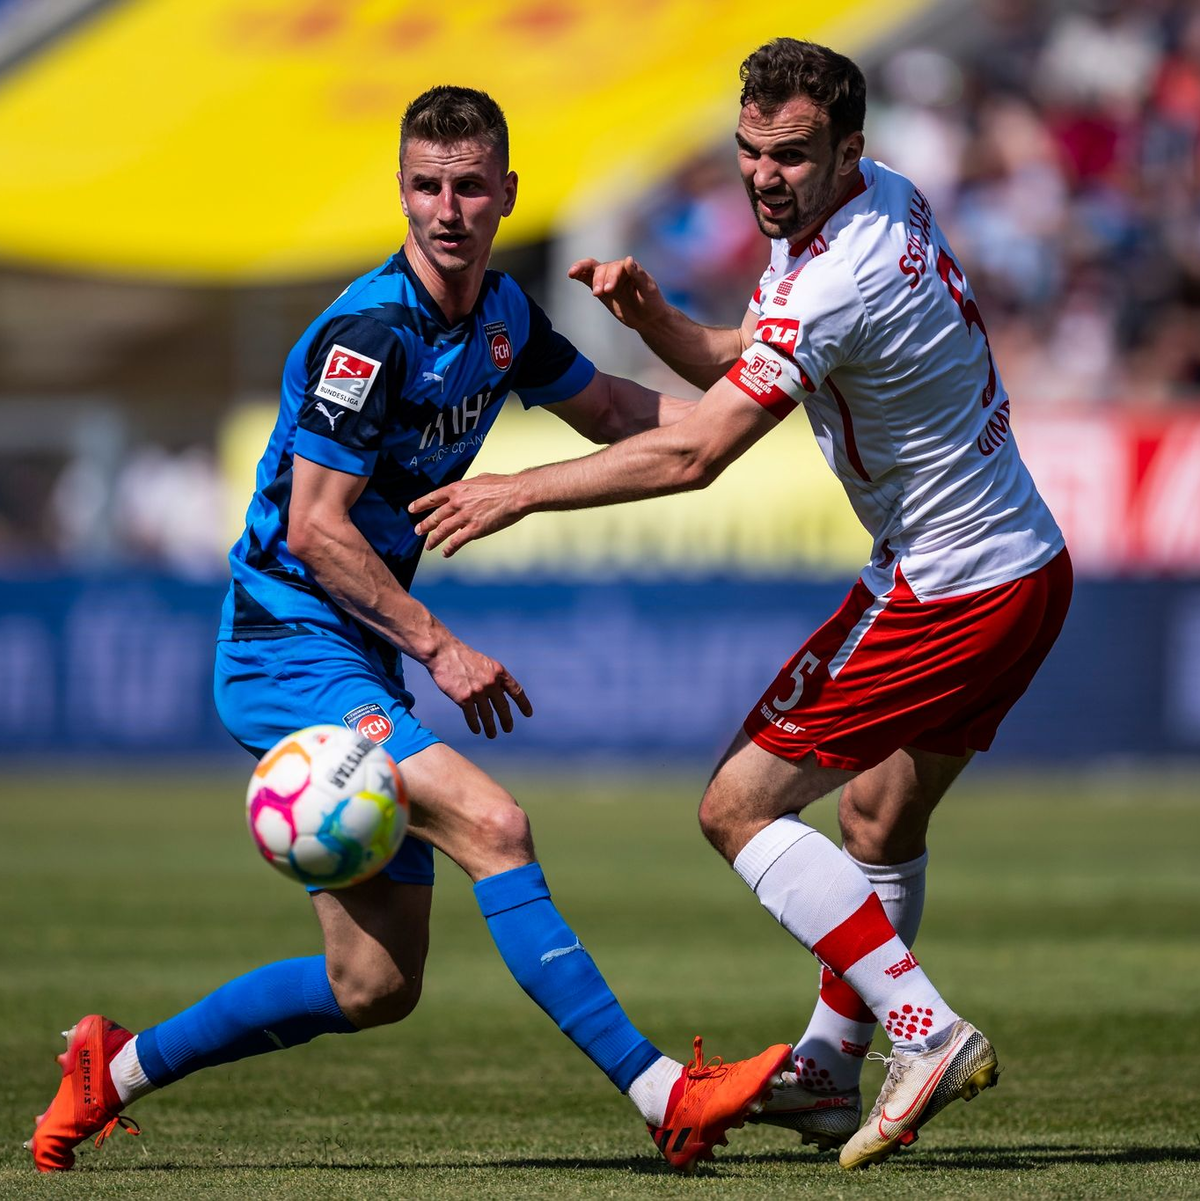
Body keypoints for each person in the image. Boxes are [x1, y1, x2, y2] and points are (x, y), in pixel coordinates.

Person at [26, 86, 793, 1177]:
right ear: (402, 190)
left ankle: (116, 1067)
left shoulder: (502, 319)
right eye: (427, 185)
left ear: (504, 195)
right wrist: (441, 644)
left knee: (374, 987)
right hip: (285, 643)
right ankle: (667, 1095)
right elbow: (317, 528)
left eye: (469, 186)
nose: (447, 208)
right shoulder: (368, 336)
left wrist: (755, 407)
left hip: (350, 646)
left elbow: (623, 418)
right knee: (497, 825)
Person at [411, 40, 1071, 1170]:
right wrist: (659, 319)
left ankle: (924, 1029)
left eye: (793, 157)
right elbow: (756, 356)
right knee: (876, 824)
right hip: (1022, 567)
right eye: (750, 152)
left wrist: (517, 489)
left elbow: (699, 453)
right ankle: (826, 1068)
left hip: (947, 584)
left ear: (846, 150)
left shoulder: (837, 277)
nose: (765, 176)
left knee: (736, 806)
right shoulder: (878, 205)